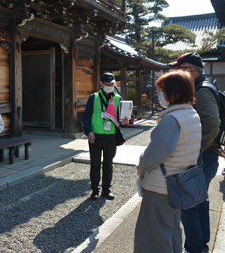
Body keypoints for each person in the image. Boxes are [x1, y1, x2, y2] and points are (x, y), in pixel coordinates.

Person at [134, 70, 202, 253]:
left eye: (162, 89)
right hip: (179, 184)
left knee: (154, 236)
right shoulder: (191, 115)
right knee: (172, 230)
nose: (160, 94)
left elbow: (152, 157)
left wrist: (140, 164)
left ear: (175, 92)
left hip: (161, 187)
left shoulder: (172, 120)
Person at [168, 52, 220, 253]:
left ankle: (196, 248)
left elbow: (212, 124)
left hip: (201, 156)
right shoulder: (201, 86)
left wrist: (196, 150)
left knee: (188, 205)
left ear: (190, 70)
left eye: (179, 69)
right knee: (198, 201)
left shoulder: (202, 89)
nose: (176, 73)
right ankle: (199, 244)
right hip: (204, 155)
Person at [82, 72, 128, 200]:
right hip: (95, 137)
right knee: (95, 164)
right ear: (101, 84)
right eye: (107, 84)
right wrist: (89, 131)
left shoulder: (118, 99)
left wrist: (124, 122)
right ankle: (95, 189)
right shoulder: (94, 97)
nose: (110, 86)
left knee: (108, 164)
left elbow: (122, 119)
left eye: (112, 84)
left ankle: (106, 189)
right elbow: (86, 117)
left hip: (111, 137)